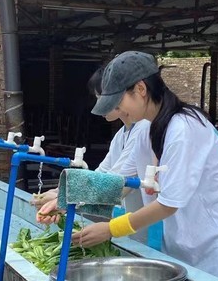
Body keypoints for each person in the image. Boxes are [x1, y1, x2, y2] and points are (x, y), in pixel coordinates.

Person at [69, 51, 218, 281]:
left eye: (118, 101)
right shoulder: (147, 129)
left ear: (140, 89)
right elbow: (116, 182)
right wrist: (62, 197)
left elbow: (169, 203)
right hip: (187, 254)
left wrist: (111, 229)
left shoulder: (184, 127)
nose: (117, 110)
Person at [33, 67, 153, 244]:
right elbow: (102, 174)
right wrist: (60, 193)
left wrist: (65, 199)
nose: (99, 106)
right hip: (130, 223)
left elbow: (119, 183)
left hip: (147, 228)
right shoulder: (122, 134)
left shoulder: (145, 129)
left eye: (103, 98)